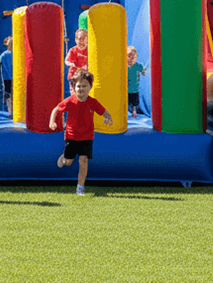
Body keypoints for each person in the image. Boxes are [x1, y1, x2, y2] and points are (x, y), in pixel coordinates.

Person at [49, 68, 112, 196]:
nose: (81, 89)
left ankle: (80, 186)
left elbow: (105, 112)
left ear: (90, 87)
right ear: (73, 87)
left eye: (84, 86)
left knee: (83, 160)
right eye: (78, 86)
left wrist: (108, 118)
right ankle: (64, 157)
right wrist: (52, 122)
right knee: (68, 162)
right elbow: (56, 109)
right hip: (71, 137)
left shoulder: (93, 102)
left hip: (87, 137)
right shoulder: (70, 101)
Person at [126, 46, 145, 118]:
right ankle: (126, 111)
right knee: (126, 101)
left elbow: (142, 70)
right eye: (129, 57)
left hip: (134, 88)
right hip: (126, 88)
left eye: (133, 58)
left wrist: (143, 72)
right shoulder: (124, 65)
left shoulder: (137, 65)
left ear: (136, 58)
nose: (130, 60)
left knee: (134, 102)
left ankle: (134, 110)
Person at [0, 36, 13, 112]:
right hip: (9, 77)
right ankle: (11, 111)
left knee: (8, 95)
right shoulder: (6, 54)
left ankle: (11, 111)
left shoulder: (5, 54)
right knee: (9, 95)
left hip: (8, 77)